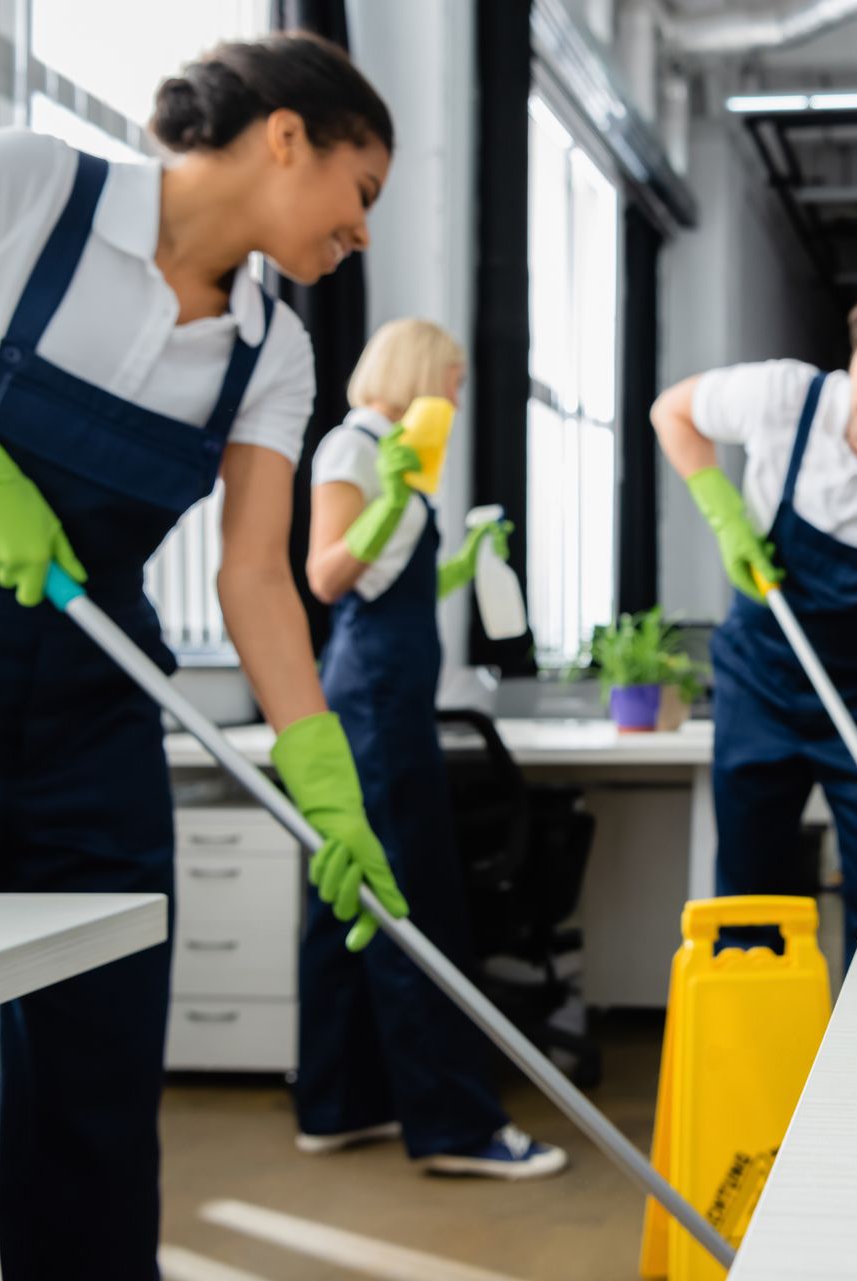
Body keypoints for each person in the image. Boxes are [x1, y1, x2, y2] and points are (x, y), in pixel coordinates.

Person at [0, 34, 409, 1279]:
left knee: (97, 1064)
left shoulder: (273, 348)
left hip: (94, 701)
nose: (362, 234)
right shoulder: (29, 187)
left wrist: (323, 779)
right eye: (361, 192)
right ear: (287, 135)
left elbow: (256, 580)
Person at [299, 317, 565, 1178]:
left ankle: (341, 1103)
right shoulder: (354, 449)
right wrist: (388, 499)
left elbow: (399, 587)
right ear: (418, 370)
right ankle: (456, 1124)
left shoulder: (397, 458)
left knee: (355, 902)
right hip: (372, 699)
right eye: (451, 377)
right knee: (413, 898)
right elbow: (329, 574)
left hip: (388, 691)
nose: (455, 394)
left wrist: (467, 559)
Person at [653, 283, 857, 962]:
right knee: (749, 887)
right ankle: (756, 1054)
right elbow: (673, 412)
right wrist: (721, 507)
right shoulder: (786, 397)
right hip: (759, 679)